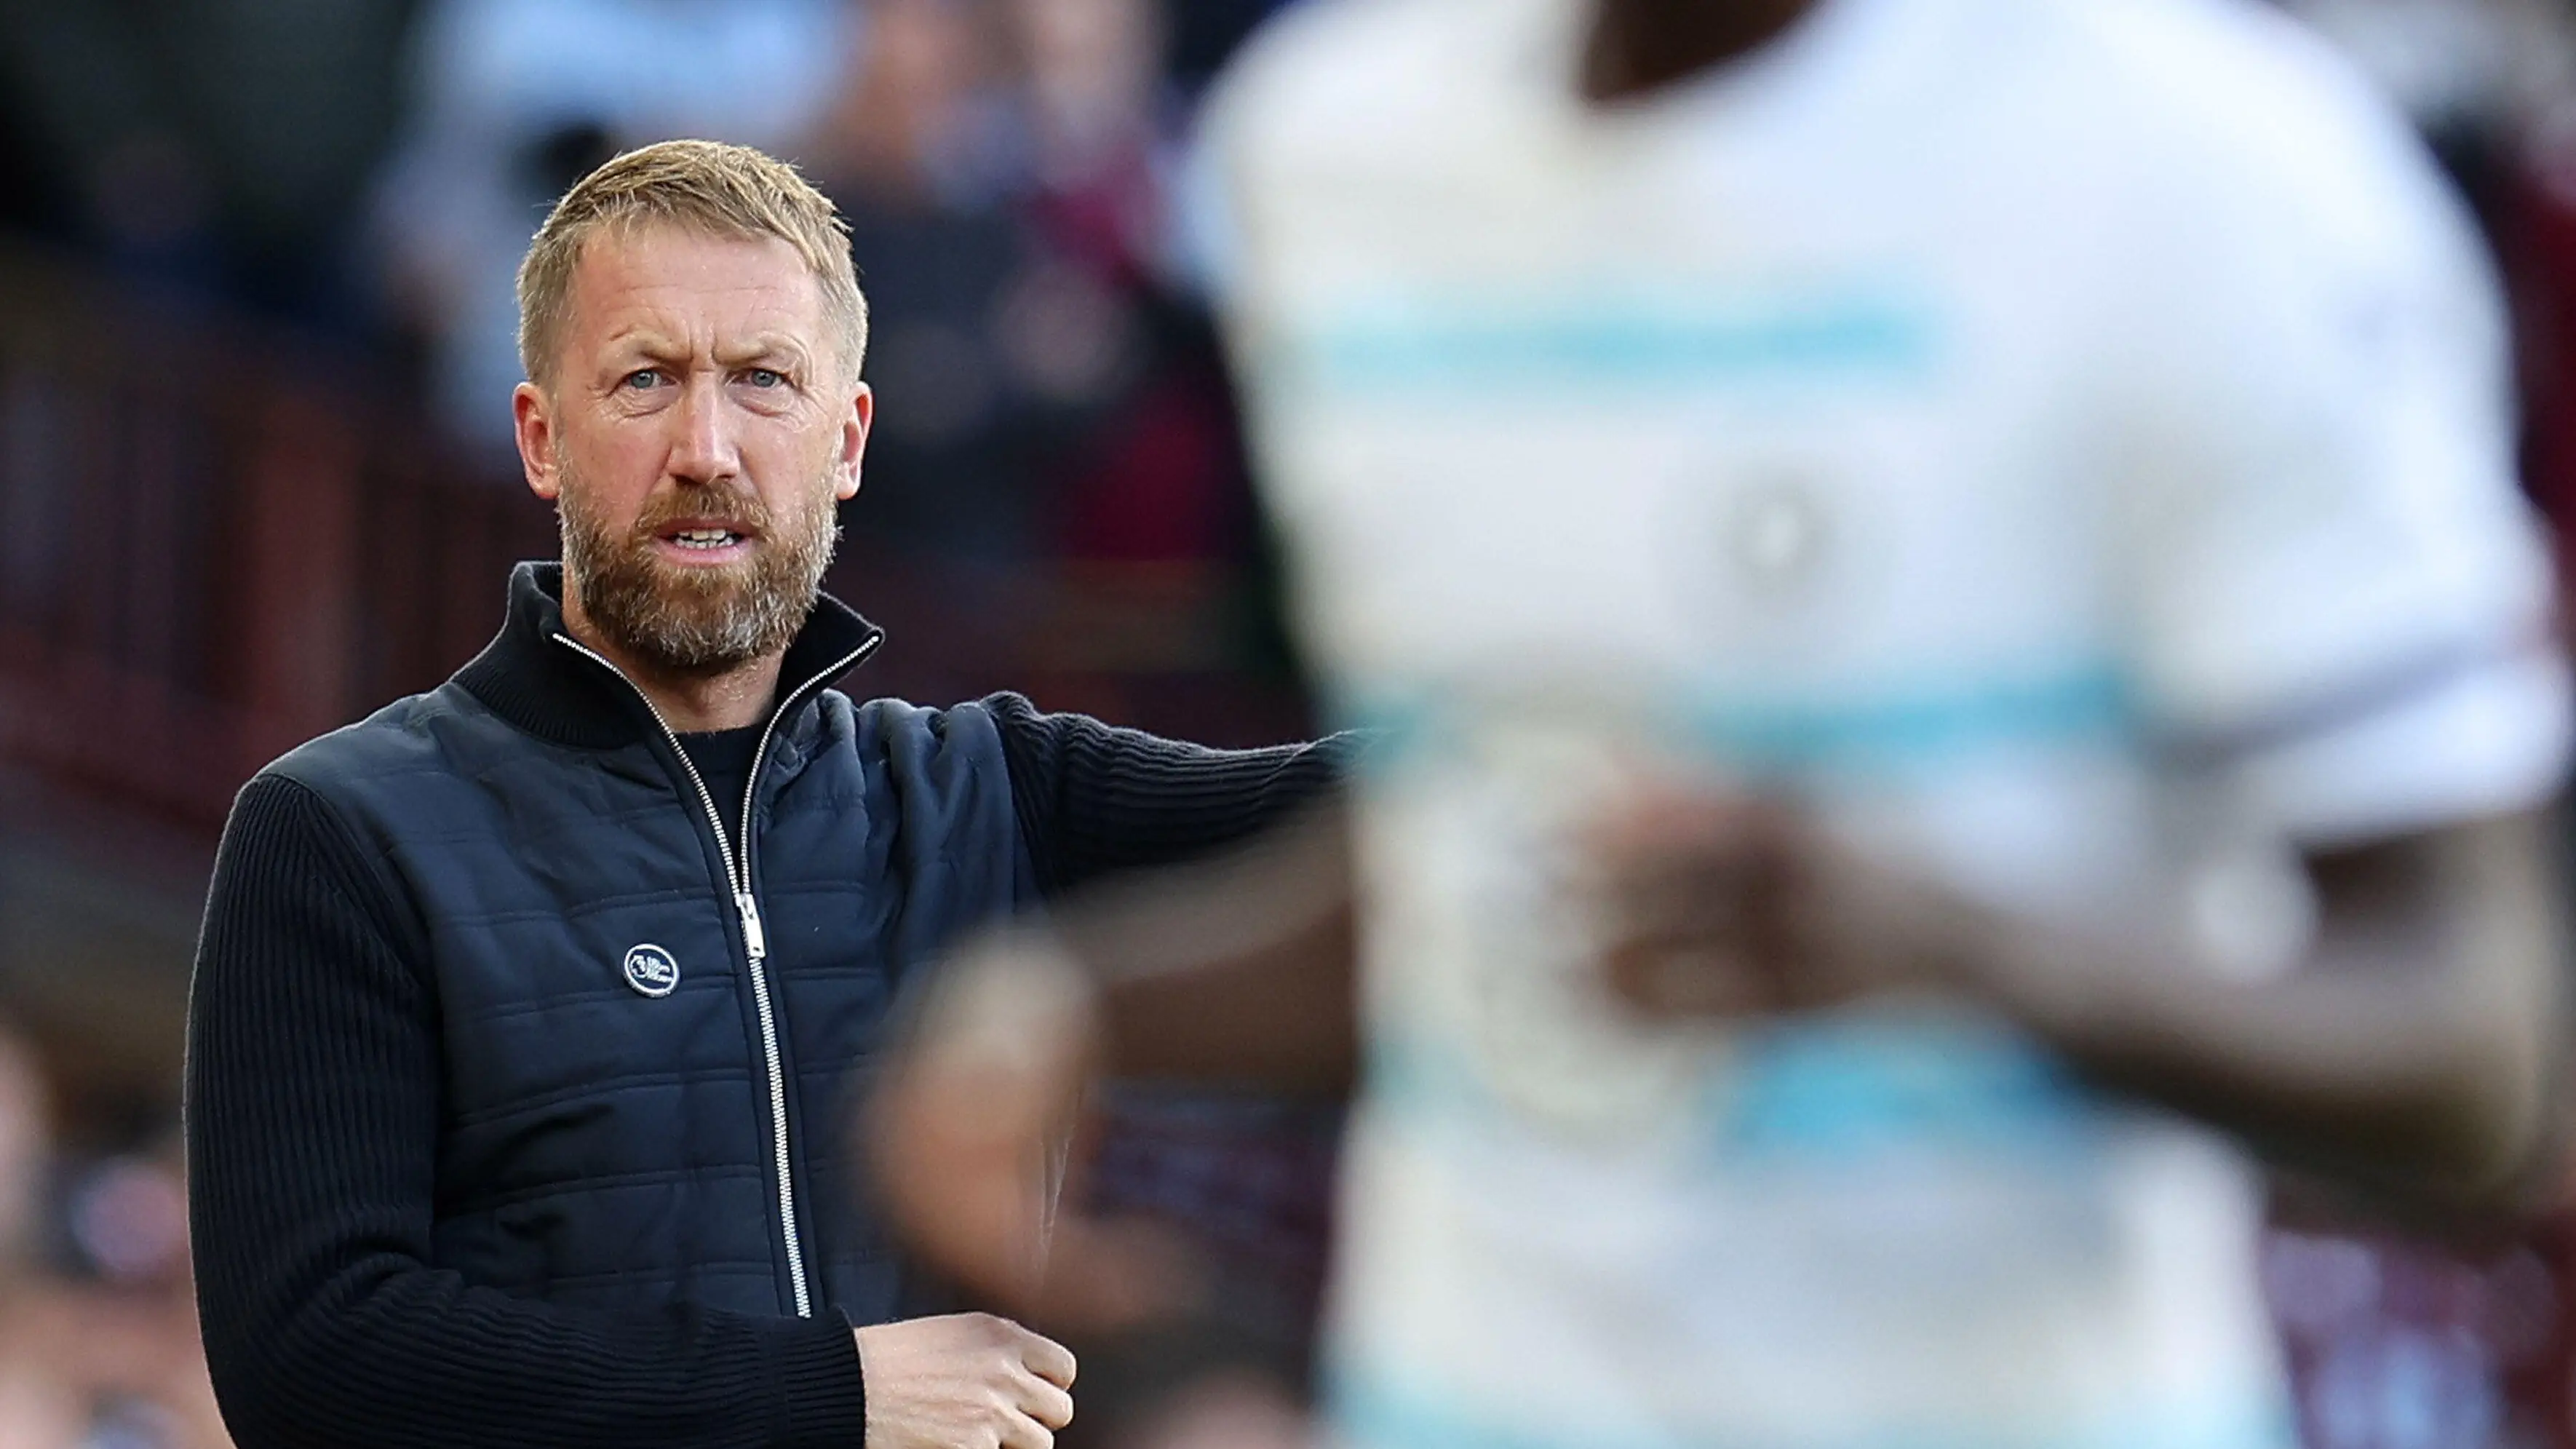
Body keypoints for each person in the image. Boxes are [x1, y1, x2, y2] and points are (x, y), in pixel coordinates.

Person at [867, 1, 2576, 1446]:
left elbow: (2477, 1049)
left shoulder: (2216, 169)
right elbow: (1486, 833)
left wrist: (1961, 950)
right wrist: (1069, 1010)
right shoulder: (1330, 145)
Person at [184, 138, 1342, 1449]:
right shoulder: (341, 831)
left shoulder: (992, 791)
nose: (706, 448)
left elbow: (1398, 823)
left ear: (845, 441)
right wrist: (827, 1395)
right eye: (645, 380)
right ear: (540, 439)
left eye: (762, 381)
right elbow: (315, 1356)